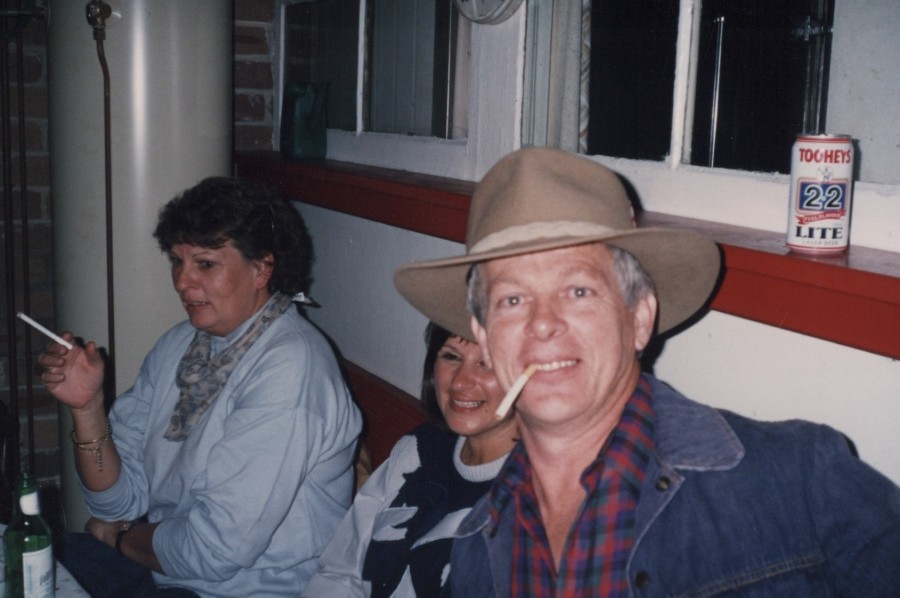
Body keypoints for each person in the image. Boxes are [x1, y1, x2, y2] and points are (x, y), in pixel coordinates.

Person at [393, 147, 900, 596]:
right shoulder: (476, 551)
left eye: (578, 291)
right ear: (483, 336)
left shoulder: (799, 481)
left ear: (639, 318)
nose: (543, 324)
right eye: (512, 299)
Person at [39, 177, 362, 597]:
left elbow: (213, 551)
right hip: (166, 568)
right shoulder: (181, 344)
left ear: (262, 268)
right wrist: (87, 409)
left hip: (244, 590)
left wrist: (116, 538)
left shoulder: (290, 368)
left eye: (205, 264)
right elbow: (117, 503)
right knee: (29, 559)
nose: (182, 282)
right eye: (177, 261)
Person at [303, 322, 517, 597]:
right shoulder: (420, 448)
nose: (461, 381)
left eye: (488, 363)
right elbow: (342, 569)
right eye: (451, 356)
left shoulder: (537, 503)